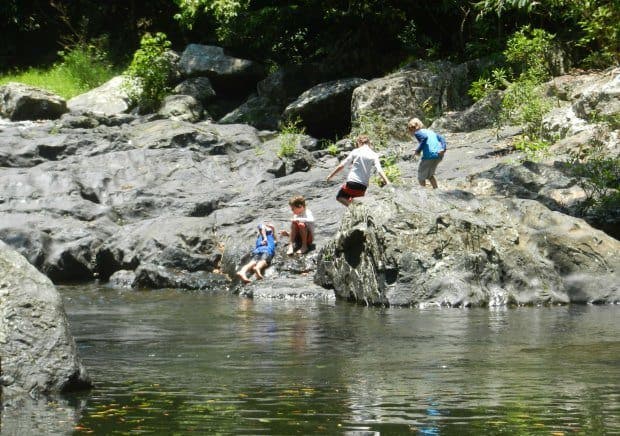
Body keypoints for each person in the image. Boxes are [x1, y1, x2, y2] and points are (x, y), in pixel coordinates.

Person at [325, 134, 390, 206]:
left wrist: (330, 176)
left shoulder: (356, 151)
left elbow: (342, 165)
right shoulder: (374, 154)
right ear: (368, 143)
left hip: (352, 182)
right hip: (363, 186)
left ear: (359, 142)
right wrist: (387, 181)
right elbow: (379, 169)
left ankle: (353, 209)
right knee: (355, 200)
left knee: (340, 197)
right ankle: (356, 210)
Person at [407, 118, 447, 189]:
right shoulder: (430, 131)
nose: (411, 131)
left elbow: (424, 138)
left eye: (411, 128)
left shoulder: (417, 132)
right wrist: (443, 148)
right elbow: (441, 138)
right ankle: (436, 190)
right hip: (439, 155)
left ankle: (423, 193)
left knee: (421, 177)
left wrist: (418, 151)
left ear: (412, 129)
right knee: (430, 175)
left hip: (429, 156)